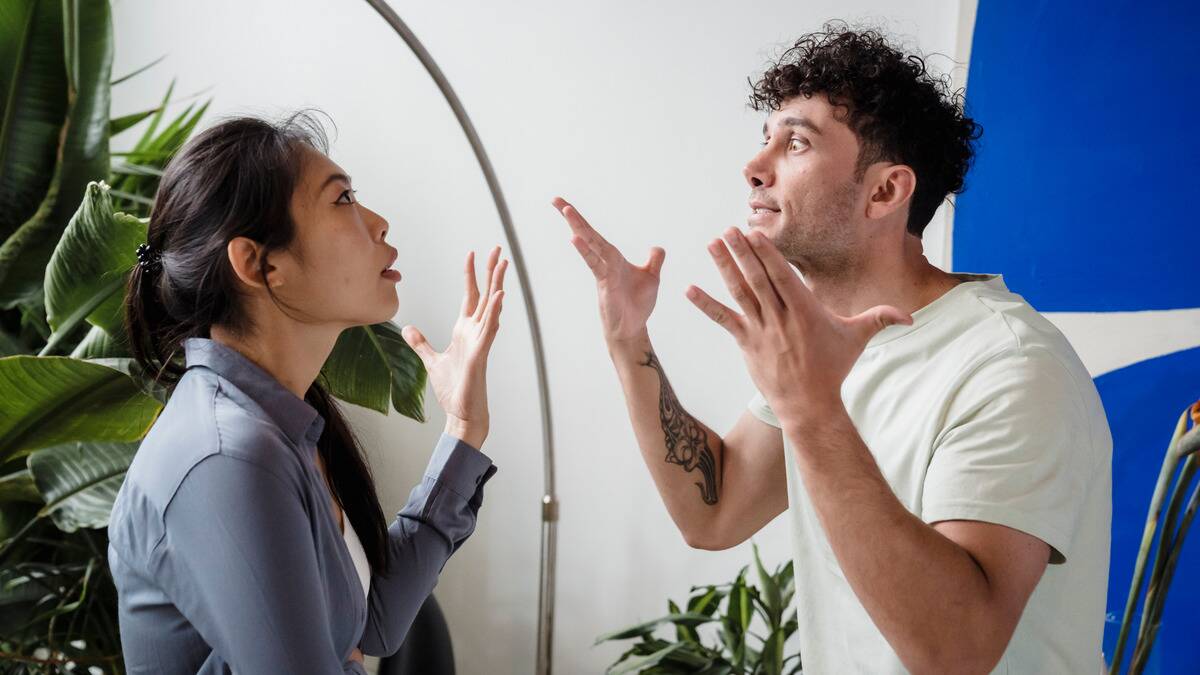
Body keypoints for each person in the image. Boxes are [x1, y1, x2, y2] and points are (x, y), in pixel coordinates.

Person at [555, 24, 1111, 674]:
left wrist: (813, 409)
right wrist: (630, 343)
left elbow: (959, 652)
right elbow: (716, 510)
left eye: (796, 142)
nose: (754, 166)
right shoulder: (823, 348)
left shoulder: (1010, 364)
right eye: (766, 139)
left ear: (885, 191)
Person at [107, 111, 508, 674]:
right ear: (259, 263)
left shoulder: (279, 426)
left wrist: (463, 427)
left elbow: (373, 625)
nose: (379, 222)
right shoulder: (229, 456)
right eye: (342, 199)